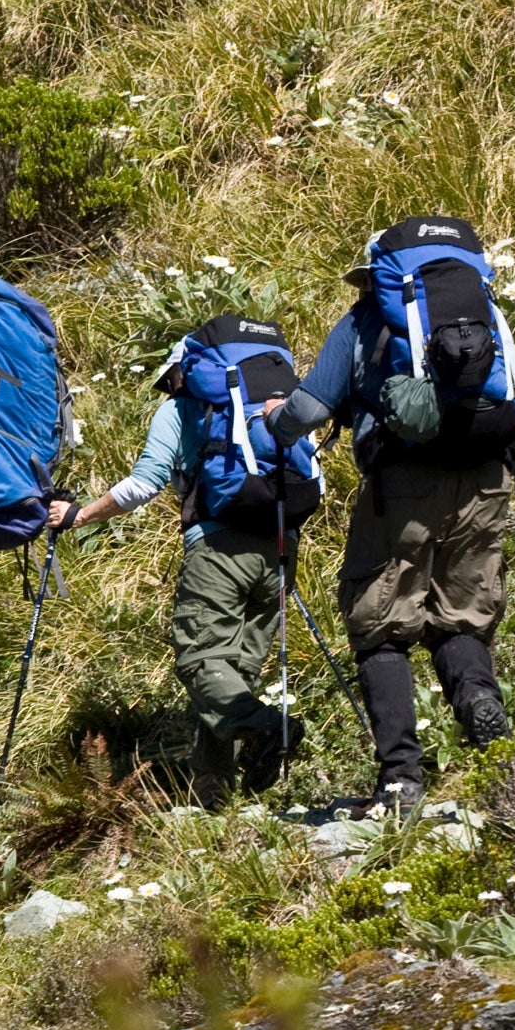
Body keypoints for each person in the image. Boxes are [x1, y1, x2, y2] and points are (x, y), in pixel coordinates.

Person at [266, 215, 515, 814]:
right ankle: (483, 713)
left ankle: (401, 780)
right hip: (487, 477)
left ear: (376, 278)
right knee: (461, 617)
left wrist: (273, 422)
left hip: (404, 484)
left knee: (380, 621)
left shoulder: (365, 321)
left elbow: (309, 410)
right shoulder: (486, 316)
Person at [47, 321, 307, 810]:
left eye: (170, 379)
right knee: (232, 671)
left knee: (201, 660)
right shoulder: (272, 402)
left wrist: (80, 515)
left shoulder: (180, 409)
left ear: (187, 371)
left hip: (218, 548)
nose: (169, 388)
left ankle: (268, 727)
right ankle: (214, 792)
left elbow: (144, 484)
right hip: (280, 545)